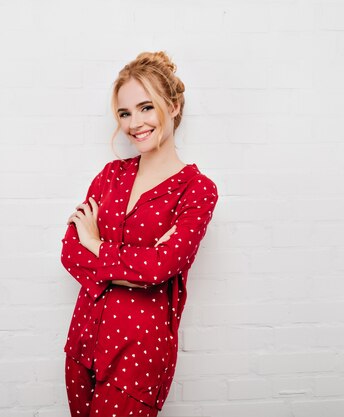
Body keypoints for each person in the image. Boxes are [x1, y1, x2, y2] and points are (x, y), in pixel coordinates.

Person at [59, 51, 219, 417]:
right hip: (84, 340)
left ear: (174, 106)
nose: (135, 123)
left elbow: (161, 268)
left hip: (138, 354)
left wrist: (96, 243)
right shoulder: (110, 175)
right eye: (125, 113)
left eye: (146, 107)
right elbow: (70, 252)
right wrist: (136, 269)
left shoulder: (196, 190)